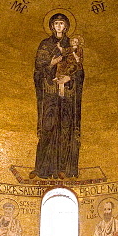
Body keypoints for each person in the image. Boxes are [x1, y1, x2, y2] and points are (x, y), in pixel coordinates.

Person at [33, 13, 84, 178]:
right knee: (48, 127)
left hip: (67, 95)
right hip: (49, 93)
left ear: (66, 26)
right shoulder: (45, 45)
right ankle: (42, 169)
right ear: (51, 26)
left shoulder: (72, 44)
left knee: (66, 128)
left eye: (62, 24)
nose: (59, 27)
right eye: (56, 23)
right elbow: (38, 68)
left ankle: (64, 169)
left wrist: (70, 77)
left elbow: (80, 69)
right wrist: (51, 64)